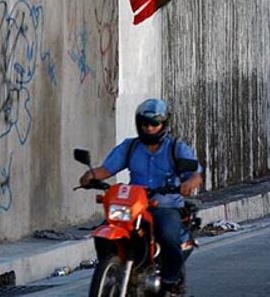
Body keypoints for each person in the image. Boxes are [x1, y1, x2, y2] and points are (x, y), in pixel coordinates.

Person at [80, 98, 203, 296]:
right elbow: (106, 169)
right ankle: (112, 267)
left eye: (155, 124)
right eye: (145, 123)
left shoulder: (176, 148)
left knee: (167, 235)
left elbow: (195, 175)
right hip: (135, 205)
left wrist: (188, 184)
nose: (149, 128)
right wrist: (90, 175)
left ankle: (169, 281)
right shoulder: (130, 147)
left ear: (164, 124)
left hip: (166, 205)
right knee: (104, 229)